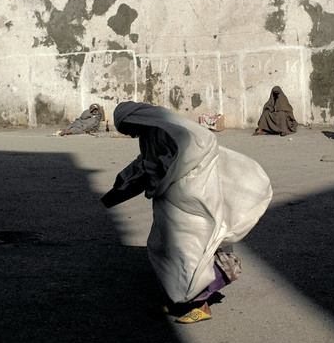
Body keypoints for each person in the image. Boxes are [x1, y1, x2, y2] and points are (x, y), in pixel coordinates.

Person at [101, 102, 273, 323]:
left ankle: (200, 305)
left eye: (129, 127)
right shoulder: (150, 135)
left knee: (188, 254)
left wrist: (172, 176)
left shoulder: (175, 130)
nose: (130, 133)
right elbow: (146, 162)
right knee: (164, 249)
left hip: (189, 202)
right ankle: (179, 299)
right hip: (169, 205)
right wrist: (125, 180)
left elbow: (202, 144)